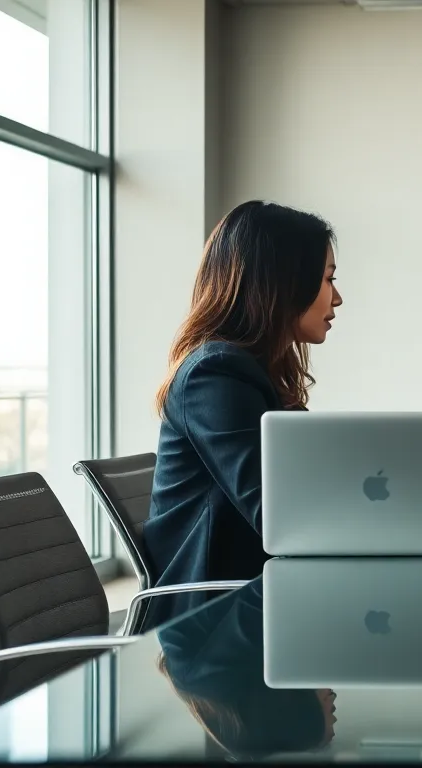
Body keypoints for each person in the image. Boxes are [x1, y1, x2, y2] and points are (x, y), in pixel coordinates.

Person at [144, 201, 343, 618]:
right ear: (284, 283)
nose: (337, 298)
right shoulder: (213, 376)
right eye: (328, 279)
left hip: (258, 598)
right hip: (213, 622)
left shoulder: (252, 373)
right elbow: (280, 516)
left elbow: (315, 484)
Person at [157, 582, 336, 758]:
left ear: (295, 716)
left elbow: (284, 583)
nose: (332, 693)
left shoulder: (209, 676)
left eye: (332, 710)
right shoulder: (235, 676)